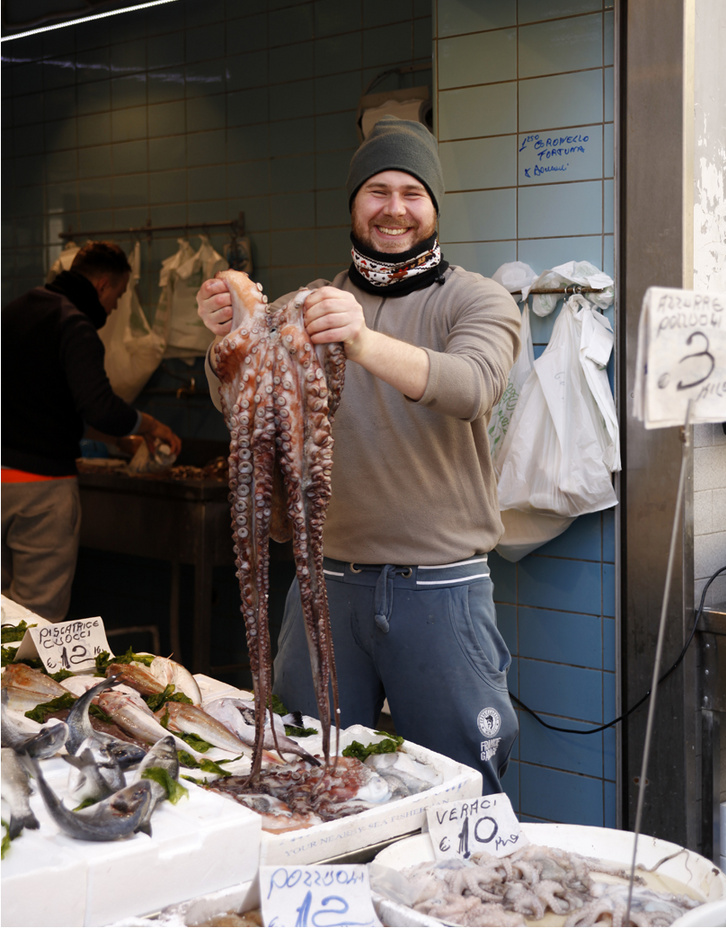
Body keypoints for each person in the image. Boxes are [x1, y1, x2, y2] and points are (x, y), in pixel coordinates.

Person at [196, 117, 522, 793]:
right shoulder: (305, 308)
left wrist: (362, 341)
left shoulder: (476, 299)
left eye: (412, 192)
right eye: (377, 190)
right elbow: (244, 403)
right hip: (325, 583)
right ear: (353, 203)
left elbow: (471, 386)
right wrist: (227, 339)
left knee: (458, 785)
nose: (394, 208)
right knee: (302, 774)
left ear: (433, 207)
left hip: (440, 588)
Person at [2, 241, 182, 622]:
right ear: (103, 285)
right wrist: (151, 425)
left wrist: (119, 441)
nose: (115, 306)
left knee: (3, 611)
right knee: (35, 619)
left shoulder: (14, 312)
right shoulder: (74, 324)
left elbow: (50, 405)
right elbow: (100, 407)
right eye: (119, 293)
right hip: (41, 492)